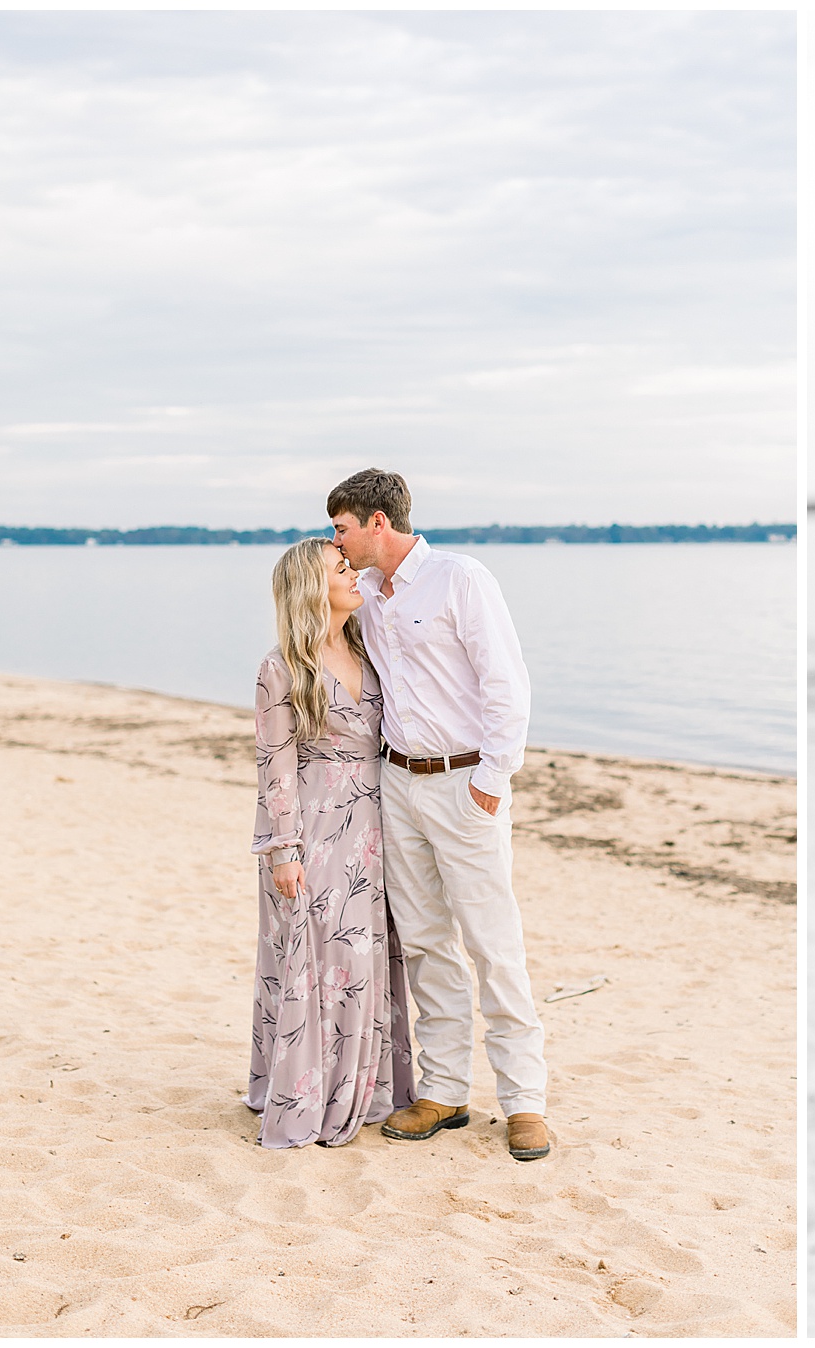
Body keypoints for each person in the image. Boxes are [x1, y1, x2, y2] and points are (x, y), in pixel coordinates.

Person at [326, 468, 551, 1162]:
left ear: (377, 524)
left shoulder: (461, 579)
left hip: (465, 784)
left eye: (341, 529)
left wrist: (493, 777)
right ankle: (446, 1091)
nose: (335, 543)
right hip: (398, 781)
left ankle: (525, 1103)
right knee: (424, 941)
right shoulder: (362, 594)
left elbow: (505, 681)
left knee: (492, 941)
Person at [247, 537, 415, 1148]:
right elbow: (275, 763)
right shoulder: (281, 667)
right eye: (339, 568)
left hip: (377, 825)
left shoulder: (369, 648)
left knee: (365, 957)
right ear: (310, 589)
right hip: (315, 833)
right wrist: (283, 850)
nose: (352, 573)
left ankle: (364, 1084)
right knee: (319, 957)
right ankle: (309, 1091)